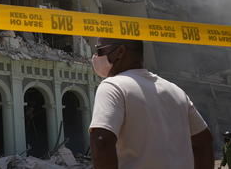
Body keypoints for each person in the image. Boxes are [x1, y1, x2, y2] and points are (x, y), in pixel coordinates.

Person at [88, 38, 214, 169]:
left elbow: (101, 141)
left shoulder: (113, 86)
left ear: (120, 51)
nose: (95, 56)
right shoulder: (176, 91)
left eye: (100, 50)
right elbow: (204, 141)